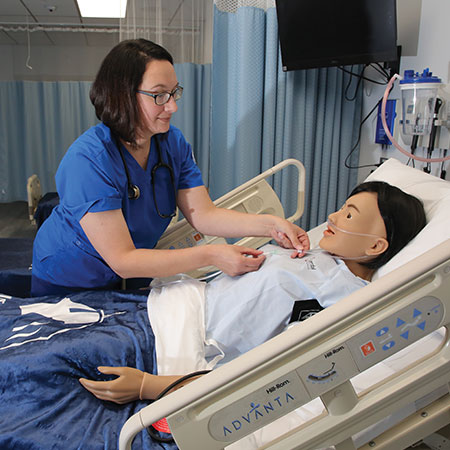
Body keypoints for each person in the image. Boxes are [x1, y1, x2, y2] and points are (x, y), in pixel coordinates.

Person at [79, 181, 427, 404]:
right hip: (167, 305)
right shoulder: (319, 253)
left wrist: (151, 386)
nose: (333, 216)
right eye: (342, 207)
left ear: (376, 245)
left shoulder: (342, 298)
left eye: (349, 214)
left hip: (175, 343)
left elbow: (266, 372)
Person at [31, 39, 308, 297]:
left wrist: (272, 225)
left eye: (174, 92)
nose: (173, 106)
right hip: (68, 276)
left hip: (133, 271)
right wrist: (212, 255)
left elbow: (204, 214)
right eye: (159, 95)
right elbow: (123, 259)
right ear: (122, 96)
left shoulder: (171, 144)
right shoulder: (88, 159)